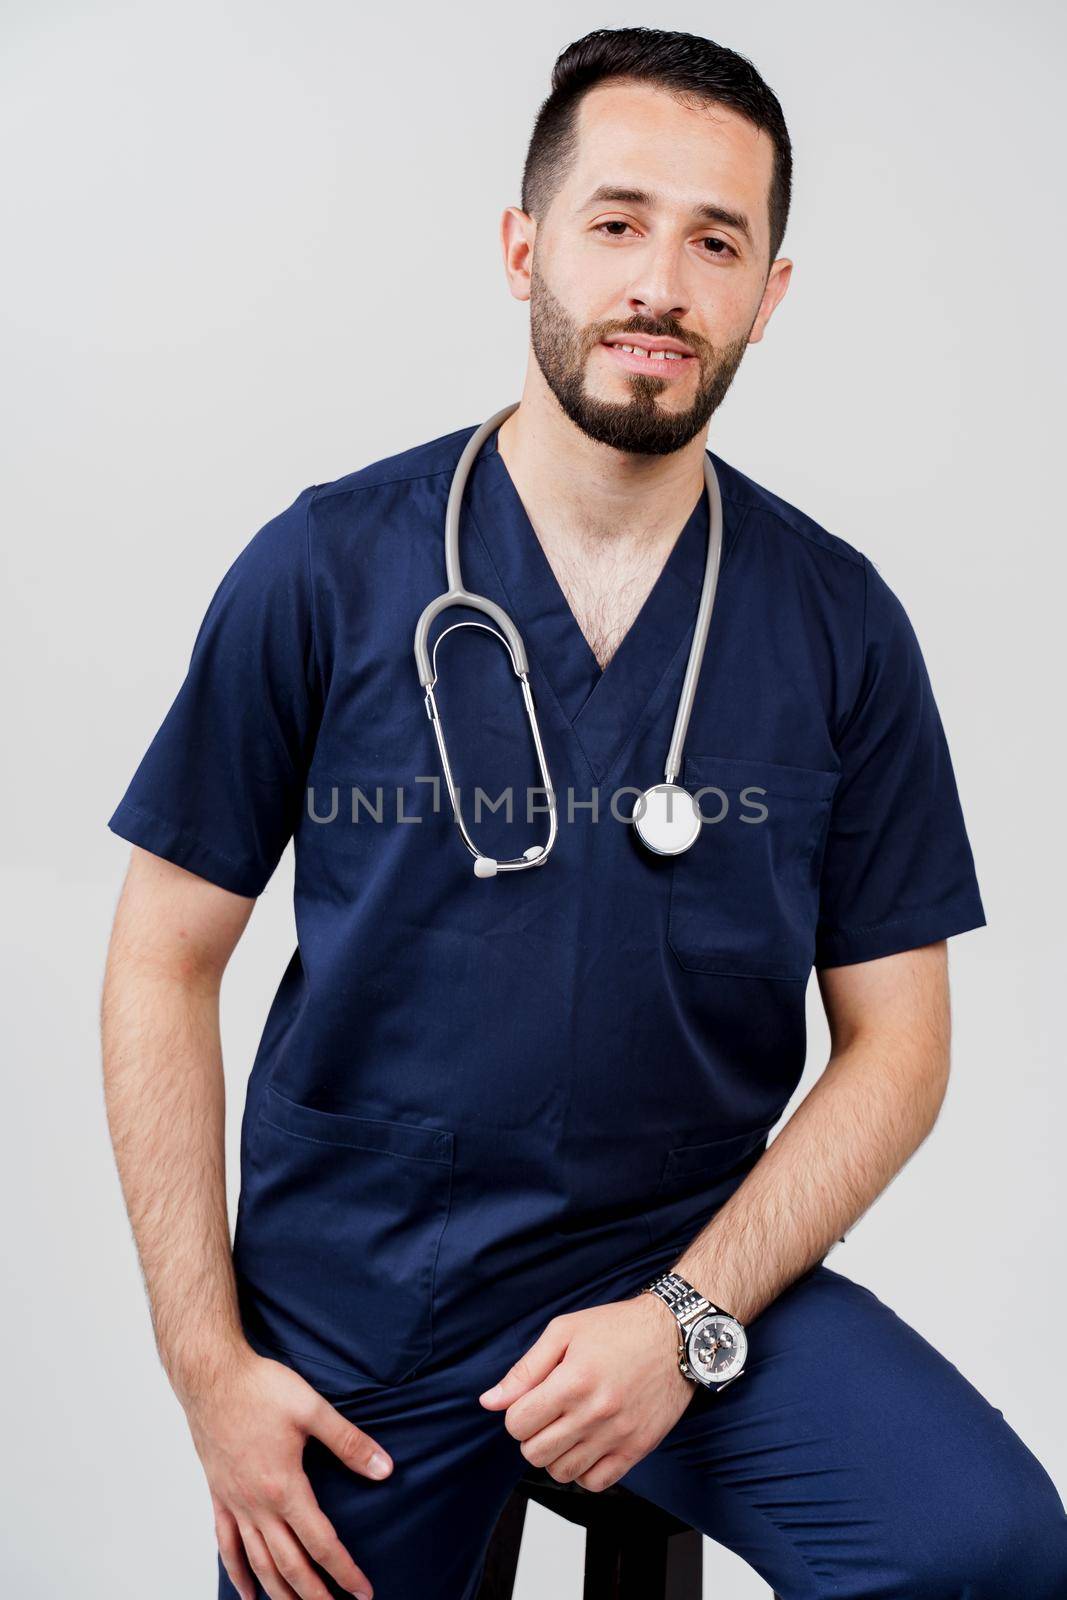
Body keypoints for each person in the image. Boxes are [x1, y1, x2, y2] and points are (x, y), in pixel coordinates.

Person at [101, 25, 1067, 1600]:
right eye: (616, 221)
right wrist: (206, 1365)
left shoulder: (837, 623)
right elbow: (160, 953)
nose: (659, 284)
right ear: (523, 246)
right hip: (370, 1291)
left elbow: (903, 1045)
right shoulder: (326, 569)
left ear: (770, 294)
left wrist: (689, 1320)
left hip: (683, 1256)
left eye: (715, 241)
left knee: (986, 1551)